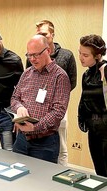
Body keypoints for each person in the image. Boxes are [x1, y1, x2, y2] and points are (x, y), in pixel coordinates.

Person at [11, 34, 71, 163]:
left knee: (41, 181)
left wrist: (35, 127)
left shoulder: (60, 76)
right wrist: (19, 107)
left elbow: (58, 112)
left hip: (45, 144)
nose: (32, 59)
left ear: (48, 51)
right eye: (29, 55)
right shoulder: (27, 73)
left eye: (36, 55)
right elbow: (15, 98)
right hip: (21, 140)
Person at [26, 20, 77, 166]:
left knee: (61, 144)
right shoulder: (31, 57)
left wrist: (56, 98)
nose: (41, 36)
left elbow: (72, 82)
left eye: (44, 34)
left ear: (52, 35)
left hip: (58, 106)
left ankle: (61, 173)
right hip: (37, 107)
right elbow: (29, 81)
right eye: (38, 34)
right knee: (39, 142)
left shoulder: (67, 55)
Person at [78, 34, 107, 177]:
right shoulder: (86, 74)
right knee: (99, 168)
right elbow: (84, 99)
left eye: (85, 55)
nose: (81, 57)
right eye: (80, 53)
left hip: (105, 126)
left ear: (98, 55)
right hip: (93, 126)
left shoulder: (105, 71)